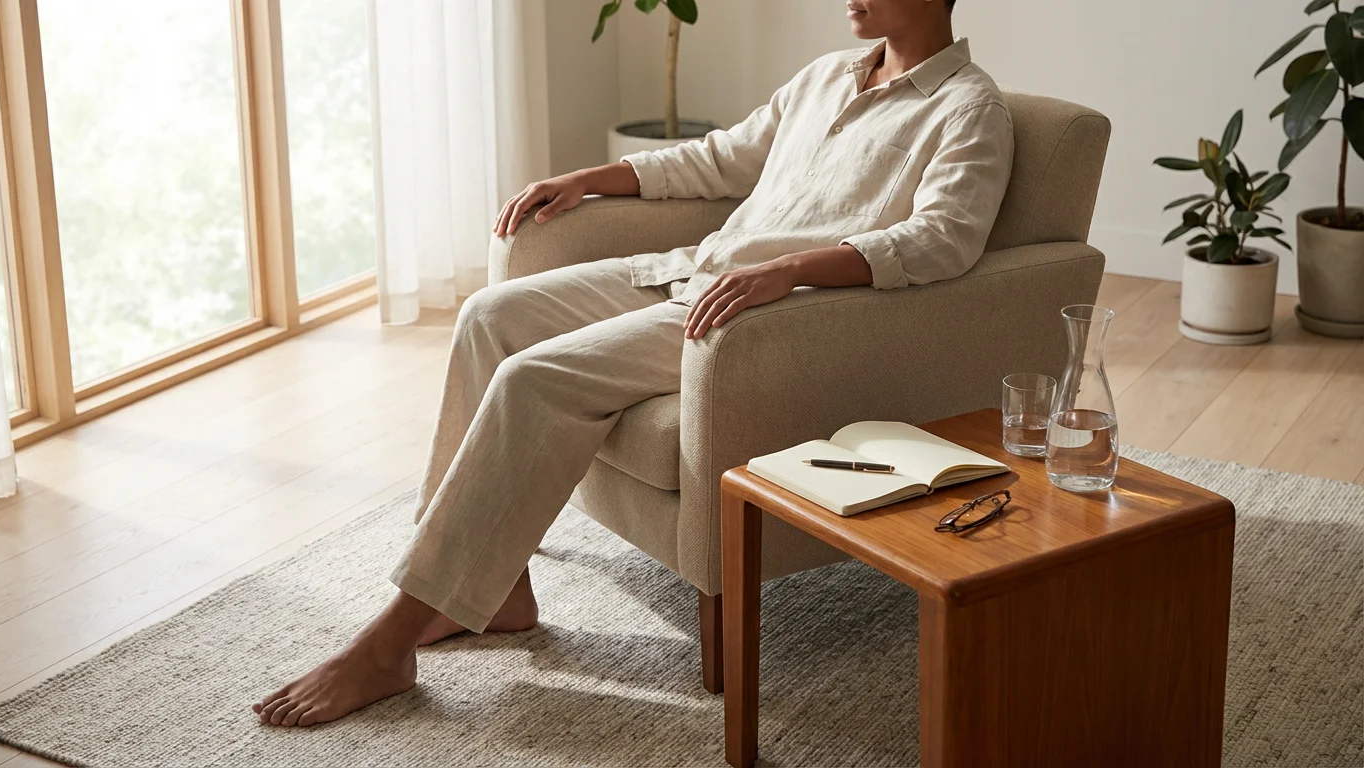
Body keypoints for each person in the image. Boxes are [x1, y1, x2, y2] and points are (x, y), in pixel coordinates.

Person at [253, 0, 1012, 727]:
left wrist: (791, 269)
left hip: (757, 317)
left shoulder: (969, 108)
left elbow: (944, 238)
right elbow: (720, 159)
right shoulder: (825, 77)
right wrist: (589, 179)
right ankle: (492, 586)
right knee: (489, 316)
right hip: (688, 269)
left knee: (534, 377)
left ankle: (393, 640)